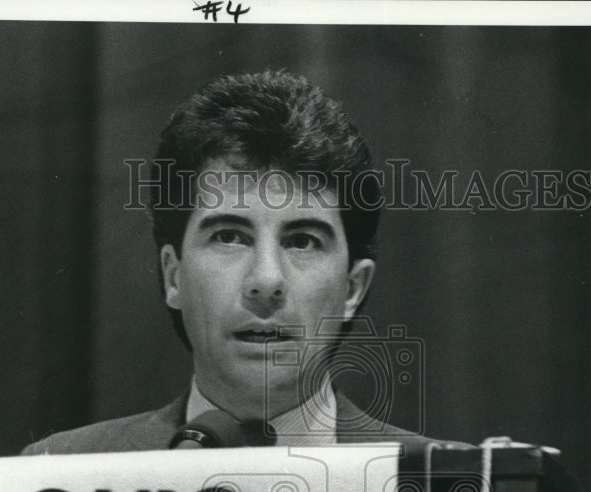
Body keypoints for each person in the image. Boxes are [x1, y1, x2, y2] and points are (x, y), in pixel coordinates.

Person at [23, 69, 443, 455]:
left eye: (302, 241)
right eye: (229, 237)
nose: (266, 280)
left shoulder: (449, 488)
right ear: (173, 277)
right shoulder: (55, 471)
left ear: (353, 289)